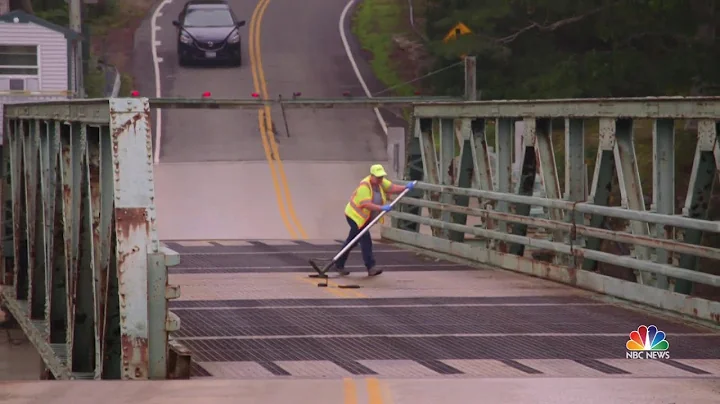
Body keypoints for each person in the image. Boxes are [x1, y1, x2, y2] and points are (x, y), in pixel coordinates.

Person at [334, 164, 416, 276]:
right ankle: (370, 267)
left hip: (364, 219)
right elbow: (366, 204)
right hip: (355, 217)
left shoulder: (381, 182)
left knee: (352, 241)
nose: (380, 179)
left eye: (381, 177)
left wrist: (405, 187)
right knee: (365, 240)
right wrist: (381, 208)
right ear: (371, 176)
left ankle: (339, 264)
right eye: (378, 177)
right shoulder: (364, 186)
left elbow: (391, 188)